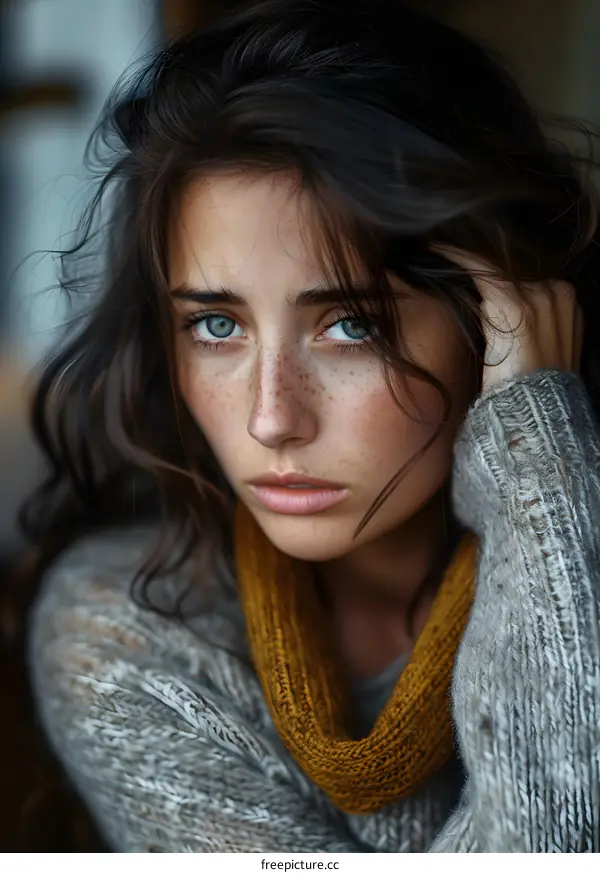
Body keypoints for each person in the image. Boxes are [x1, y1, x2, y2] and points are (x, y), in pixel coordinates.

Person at [24, 0, 600, 853]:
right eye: (215, 326)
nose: (272, 419)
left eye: (352, 324)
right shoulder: (131, 623)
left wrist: (543, 473)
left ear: (496, 316)